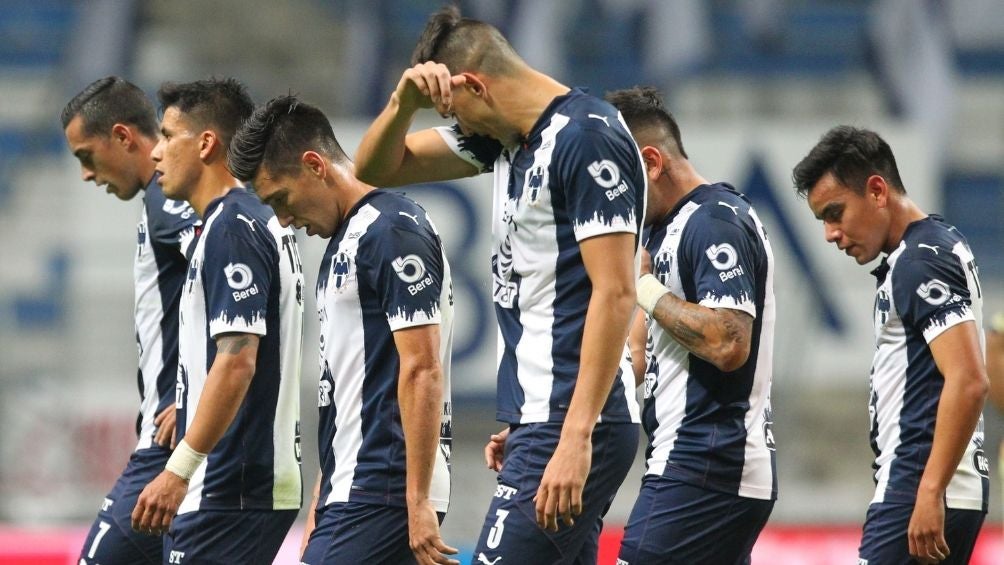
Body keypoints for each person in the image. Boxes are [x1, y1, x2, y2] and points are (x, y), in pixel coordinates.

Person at [354, 7, 643, 564]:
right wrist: (402, 105)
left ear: (476, 86)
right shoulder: (508, 141)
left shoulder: (586, 137)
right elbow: (377, 168)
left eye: (453, 108)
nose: (456, 123)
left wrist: (575, 435)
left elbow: (616, 293)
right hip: (541, 415)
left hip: (573, 420)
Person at [228, 94, 458, 565]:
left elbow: (422, 368)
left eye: (281, 200)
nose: (285, 220)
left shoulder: (391, 229)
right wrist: (322, 497)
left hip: (386, 486)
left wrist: (416, 501)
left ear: (314, 165)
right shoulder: (343, 244)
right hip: (353, 486)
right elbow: (345, 389)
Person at [793, 126, 988, 565]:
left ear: (877, 190)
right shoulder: (933, 245)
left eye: (835, 213)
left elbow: (970, 380)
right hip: (935, 486)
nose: (830, 233)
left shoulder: (919, 261)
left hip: (920, 485)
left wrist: (930, 490)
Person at [129, 78, 304, 564]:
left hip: (230, 482)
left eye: (167, 136)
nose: (156, 154)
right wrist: (188, 399)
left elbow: (237, 361)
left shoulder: (233, 227)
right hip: (242, 480)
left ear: (206, 143)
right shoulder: (242, 221)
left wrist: (177, 470)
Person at [604, 86, 777, 564]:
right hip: (693, 464)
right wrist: (551, 425)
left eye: (612, 180)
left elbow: (729, 340)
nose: (607, 199)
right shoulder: (662, 233)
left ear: (652, 163)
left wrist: (643, 287)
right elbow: (637, 359)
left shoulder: (713, 221)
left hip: (707, 462)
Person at [62, 76, 199, 564]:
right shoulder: (161, 200)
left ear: (123, 137)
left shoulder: (169, 197)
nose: (86, 174)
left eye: (86, 156)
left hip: (172, 446)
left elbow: (236, 276)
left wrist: (195, 395)